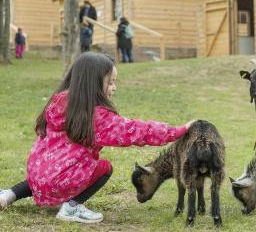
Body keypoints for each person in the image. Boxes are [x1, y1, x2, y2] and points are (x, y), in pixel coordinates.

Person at [0, 52, 194, 224]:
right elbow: (137, 130)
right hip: (59, 182)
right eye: (110, 82)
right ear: (93, 83)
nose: (114, 87)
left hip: (36, 176)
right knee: (104, 168)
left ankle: (8, 195)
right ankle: (71, 207)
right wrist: (177, 131)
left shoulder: (57, 101)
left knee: (48, 173)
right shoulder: (98, 117)